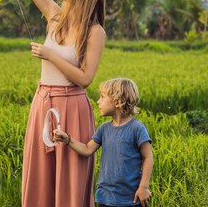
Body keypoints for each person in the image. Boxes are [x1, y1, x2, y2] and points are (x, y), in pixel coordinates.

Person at [0, 0, 107, 207]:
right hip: (43, 103)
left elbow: (86, 78)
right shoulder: (54, 16)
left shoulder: (95, 32)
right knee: (39, 175)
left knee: (70, 179)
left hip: (73, 108)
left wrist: (50, 55)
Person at [54, 78, 153, 207]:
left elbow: (148, 156)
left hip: (130, 199)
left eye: (102, 97)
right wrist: (67, 139)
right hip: (105, 198)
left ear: (118, 102)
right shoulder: (104, 129)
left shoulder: (136, 128)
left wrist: (143, 187)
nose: (98, 101)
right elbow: (87, 149)